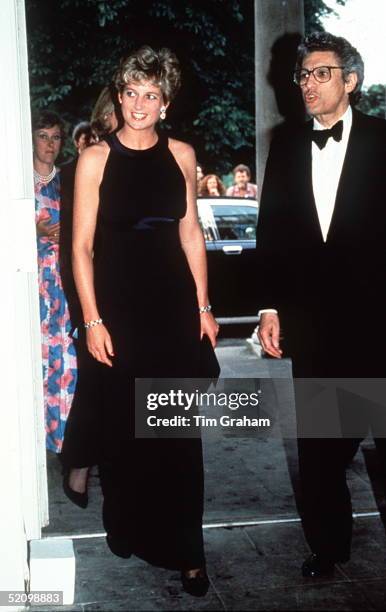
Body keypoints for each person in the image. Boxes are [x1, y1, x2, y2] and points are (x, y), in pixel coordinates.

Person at [61, 45, 219, 596]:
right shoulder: (94, 159)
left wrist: (203, 306)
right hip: (118, 311)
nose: (138, 104)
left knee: (178, 435)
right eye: (131, 92)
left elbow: (190, 232)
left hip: (173, 309)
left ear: (166, 102)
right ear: (120, 95)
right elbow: (79, 247)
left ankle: (189, 554)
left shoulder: (182, 154)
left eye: (150, 94)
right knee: (128, 431)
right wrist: (93, 318)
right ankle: (126, 523)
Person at [257, 32, 386, 577]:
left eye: (320, 74)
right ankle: (328, 549)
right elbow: (273, 232)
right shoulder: (286, 144)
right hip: (317, 326)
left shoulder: (384, 139)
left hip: (381, 323)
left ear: (350, 81)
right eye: (303, 76)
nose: (308, 84)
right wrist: (269, 307)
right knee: (322, 451)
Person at [33, 110, 77, 453]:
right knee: (36, 356)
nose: (50, 144)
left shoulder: (69, 180)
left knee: (65, 358)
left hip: (64, 280)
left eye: (56, 137)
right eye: (43, 135)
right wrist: (34, 230)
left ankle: (65, 440)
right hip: (32, 280)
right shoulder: (17, 181)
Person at [60, 122, 97, 326]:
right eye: (86, 138)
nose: (91, 142)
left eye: (94, 138)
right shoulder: (66, 173)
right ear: (77, 143)